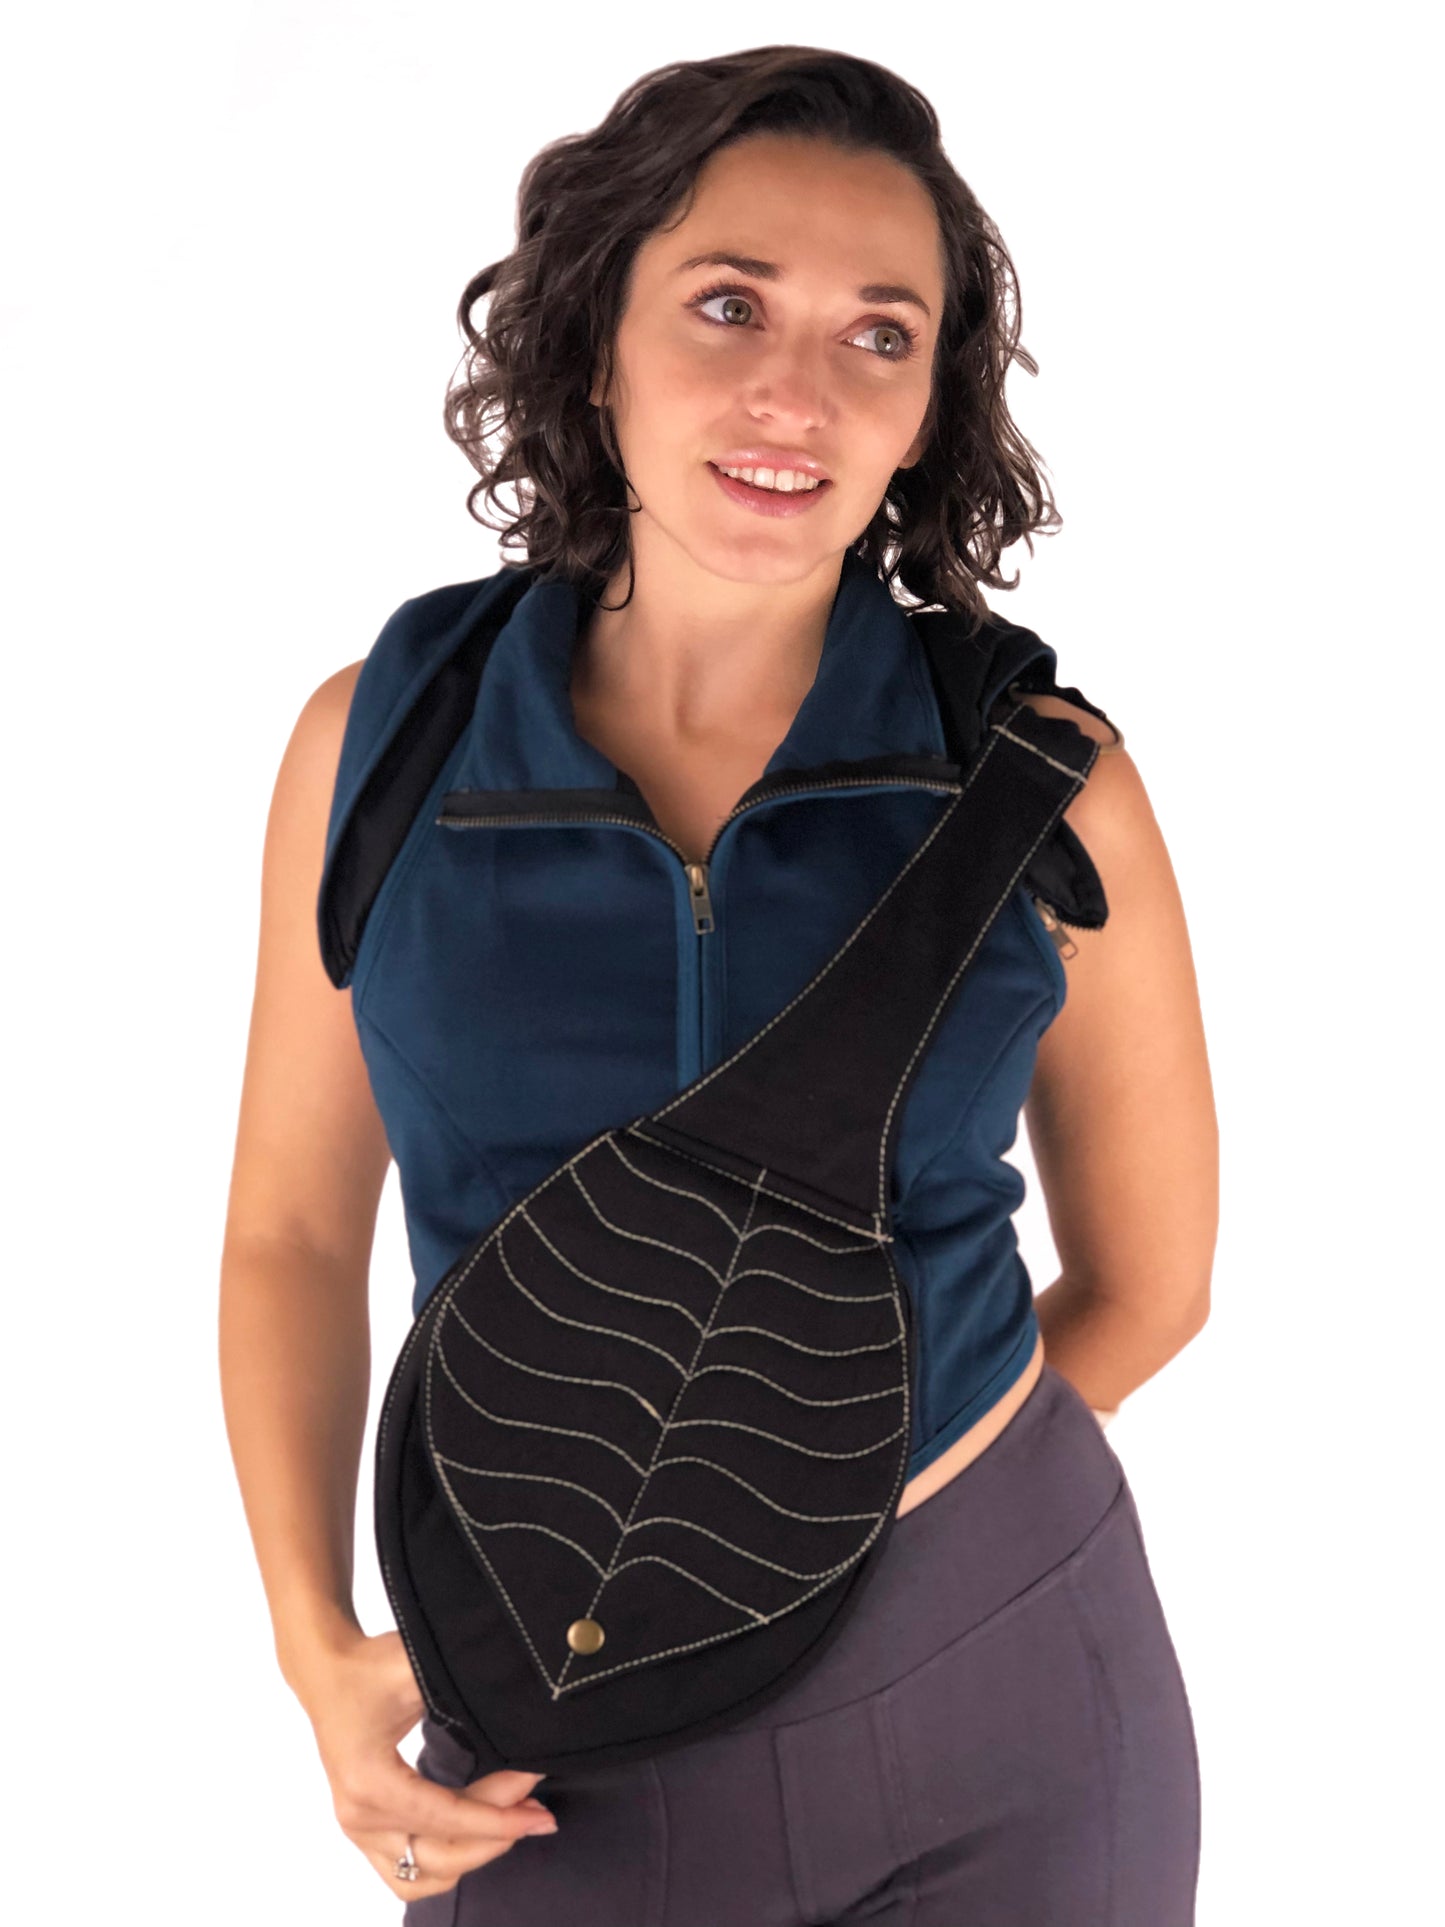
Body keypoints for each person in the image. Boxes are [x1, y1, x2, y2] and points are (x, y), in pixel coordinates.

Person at [220, 44, 1214, 1926]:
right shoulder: (386, 744)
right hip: (554, 1737)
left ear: (926, 410)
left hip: (1014, 1694)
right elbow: (288, 1227)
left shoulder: (1039, 781)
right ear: (596, 339)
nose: (793, 393)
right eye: (728, 304)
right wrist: (315, 1645)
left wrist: (836, 1533)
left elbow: (1151, 1284)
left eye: (877, 335)